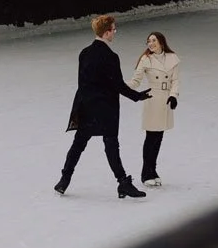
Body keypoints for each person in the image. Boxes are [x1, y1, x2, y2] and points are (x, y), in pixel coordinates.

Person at [56, 14, 151, 199]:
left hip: (86, 106)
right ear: (106, 33)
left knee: (78, 144)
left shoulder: (84, 53)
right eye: (113, 30)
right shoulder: (110, 57)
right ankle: (123, 183)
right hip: (106, 108)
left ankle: (64, 180)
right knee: (111, 145)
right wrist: (137, 96)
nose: (115, 32)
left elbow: (82, 81)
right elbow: (117, 84)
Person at [129, 31, 182, 187]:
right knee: (151, 137)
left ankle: (153, 170)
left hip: (165, 100)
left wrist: (173, 96)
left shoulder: (172, 58)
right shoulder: (146, 60)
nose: (150, 43)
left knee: (158, 137)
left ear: (161, 42)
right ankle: (146, 173)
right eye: (148, 41)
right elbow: (136, 81)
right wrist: (119, 86)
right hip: (152, 99)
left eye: (153, 40)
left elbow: (176, 80)